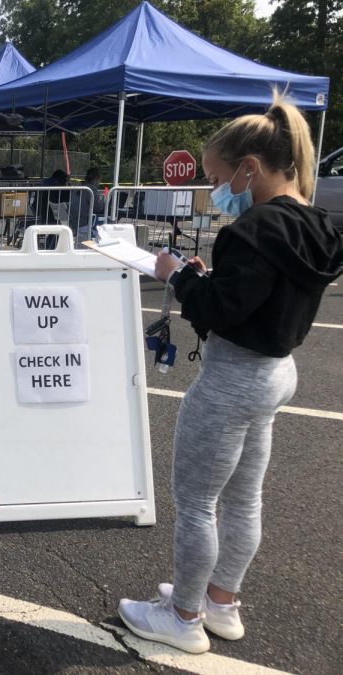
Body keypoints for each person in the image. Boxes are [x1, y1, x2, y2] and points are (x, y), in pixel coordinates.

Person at [118, 92, 342, 654]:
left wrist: (177, 276)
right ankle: (221, 602)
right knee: (244, 500)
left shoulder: (252, 230)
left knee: (196, 503)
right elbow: (257, 294)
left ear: (249, 169)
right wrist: (210, 279)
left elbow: (220, 311)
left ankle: (183, 616)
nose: (217, 190)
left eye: (218, 176)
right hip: (276, 371)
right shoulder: (315, 225)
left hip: (232, 380)